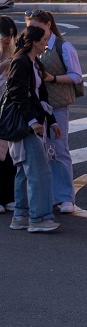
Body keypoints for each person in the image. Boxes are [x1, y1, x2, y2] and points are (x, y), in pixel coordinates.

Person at [2, 25, 61, 233]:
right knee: (38, 171)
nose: (47, 42)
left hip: (29, 123)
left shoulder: (33, 62)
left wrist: (51, 121)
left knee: (23, 171)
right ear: (34, 42)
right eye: (44, 39)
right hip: (24, 125)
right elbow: (18, 94)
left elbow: (39, 96)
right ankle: (37, 218)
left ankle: (20, 216)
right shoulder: (22, 62)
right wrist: (32, 122)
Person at [28, 10, 82, 214]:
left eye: (37, 27)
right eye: (30, 28)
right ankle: (50, 194)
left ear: (48, 24)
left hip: (56, 105)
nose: (33, 32)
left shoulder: (63, 46)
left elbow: (76, 76)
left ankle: (66, 197)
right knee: (40, 152)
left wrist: (54, 78)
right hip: (36, 106)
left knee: (59, 150)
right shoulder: (30, 46)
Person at [0, 17, 16, 211]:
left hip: (8, 109)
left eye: (11, 35)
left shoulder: (12, 51)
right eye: (5, 35)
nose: (8, 39)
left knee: (9, 155)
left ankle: (8, 196)